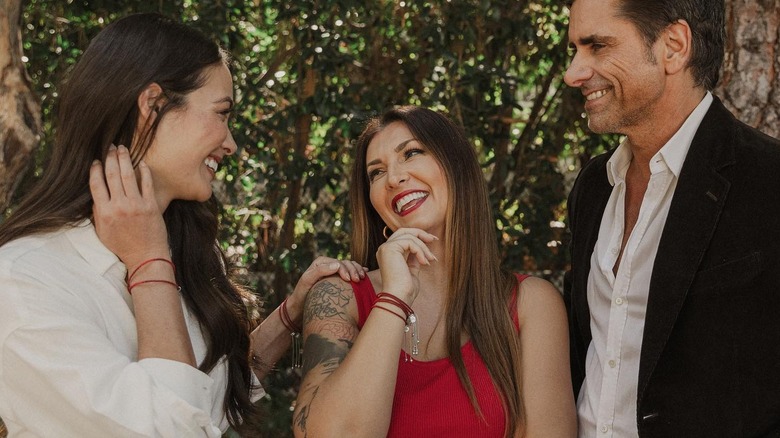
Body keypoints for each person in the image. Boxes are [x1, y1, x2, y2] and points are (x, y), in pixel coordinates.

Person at [0, 13, 366, 437]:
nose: (231, 143)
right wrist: (149, 263)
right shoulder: (24, 284)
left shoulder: (185, 247)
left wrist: (288, 317)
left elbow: (209, 401)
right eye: (221, 113)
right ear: (153, 106)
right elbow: (175, 429)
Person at [563, 0, 780, 436]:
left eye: (597, 46)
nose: (572, 73)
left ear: (674, 46)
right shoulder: (593, 186)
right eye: (574, 50)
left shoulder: (769, 182)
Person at [292, 106, 576, 437]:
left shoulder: (531, 304)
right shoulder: (339, 296)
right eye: (376, 172)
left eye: (411, 153)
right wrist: (394, 296)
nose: (394, 178)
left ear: (457, 166)